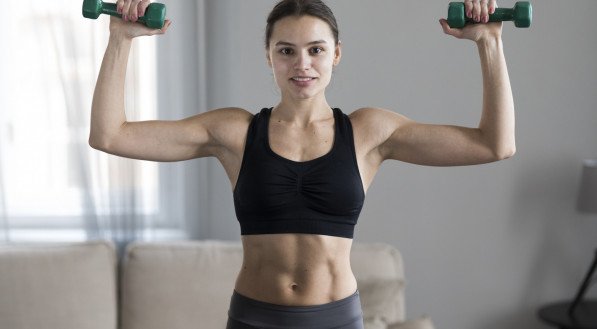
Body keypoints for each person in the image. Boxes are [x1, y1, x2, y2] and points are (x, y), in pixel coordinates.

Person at [89, 0, 515, 328]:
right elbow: (110, 135)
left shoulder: (369, 132)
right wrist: (120, 38)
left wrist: (490, 43)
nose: (302, 64)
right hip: (253, 319)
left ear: (336, 54)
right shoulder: (235, 132)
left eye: (316, 49)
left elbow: (494, 144)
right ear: (269, 56)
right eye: (286, 50)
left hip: (336, 320)